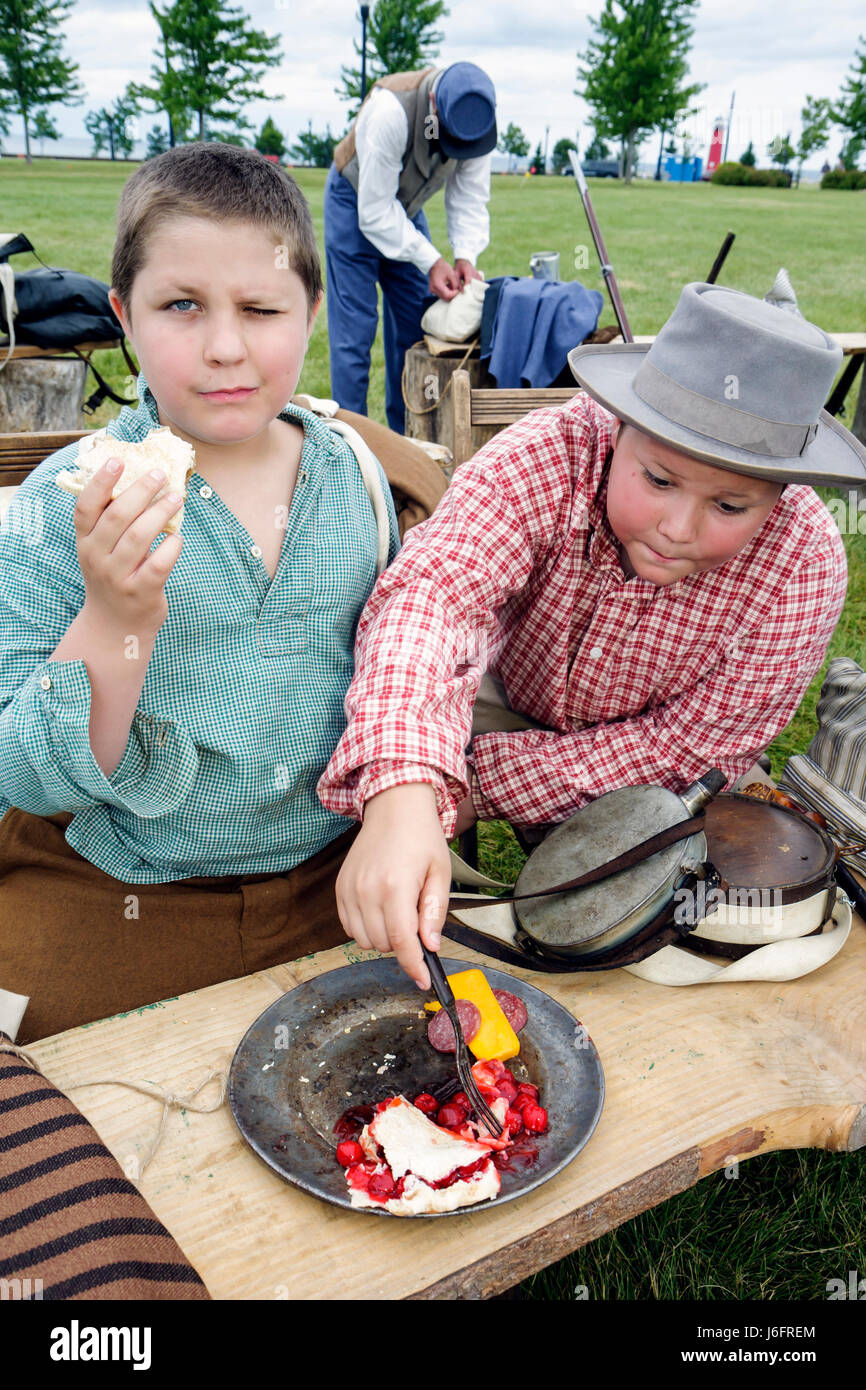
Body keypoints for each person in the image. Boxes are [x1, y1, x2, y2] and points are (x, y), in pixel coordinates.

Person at [318, 281, 866, 989]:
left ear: (784, 492)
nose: (678, 528)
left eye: (730, 504)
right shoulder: (549, 452)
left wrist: (466, 786)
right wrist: (405, 785)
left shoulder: (807, 561)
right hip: (502, 686)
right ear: (617, 427)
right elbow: (436, 598)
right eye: (659, 480)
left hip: (651, 764)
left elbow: (695, 750)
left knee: (710, 936)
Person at [0, 142, 404, 1044]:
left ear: (312, 313)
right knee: (43, 1083)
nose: (225, 348)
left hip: (321, 872)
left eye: (261, 309)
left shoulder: (359, 482)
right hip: (121, 881)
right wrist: (115, 617)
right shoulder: (62, 506)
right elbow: (19, 772)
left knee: (402, 1052)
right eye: (181, 306)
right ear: (124, 316)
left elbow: (396, 677)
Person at [325, 61, 497, 434]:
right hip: (355, 202)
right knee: (354, 335)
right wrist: (431, 259)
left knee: (413, 333)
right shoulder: (390, 112)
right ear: (434, 101)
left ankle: (406, 442)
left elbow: (468, 198)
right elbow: (374, 212)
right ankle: (348, 447)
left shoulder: (477, 125)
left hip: (405, 210)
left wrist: (465, 255)